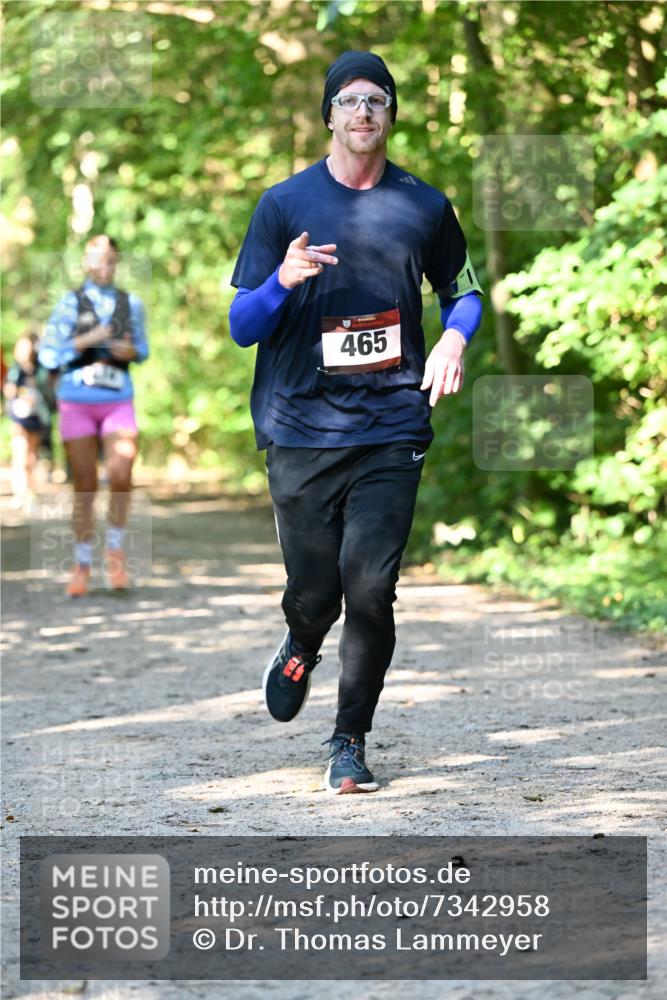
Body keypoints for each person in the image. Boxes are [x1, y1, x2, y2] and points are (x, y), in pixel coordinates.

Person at [229, 51, 483, 794]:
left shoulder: (425, 206)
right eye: (349, 100)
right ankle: (301, 639)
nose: (363, 111)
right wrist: (282, 278)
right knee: (318, 590)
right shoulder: (283, 206)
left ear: (390, 114)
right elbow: (244, 325)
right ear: (329, 115)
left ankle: (349, 740)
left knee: (370, 587)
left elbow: (462, 292)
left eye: (377, 99)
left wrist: (453, 335)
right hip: (300, 424)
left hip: (391, 422)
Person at [38, 235, 149, 596]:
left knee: (121, 471)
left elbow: (142, 350)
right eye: (98, 259)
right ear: (86, 262)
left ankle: (114, 551)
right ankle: (82, 563)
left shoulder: (129, 303)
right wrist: (90, 338)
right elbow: (48, 356)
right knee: (84, 483)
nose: (105, 266)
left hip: (117, 397)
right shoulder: (69, 303)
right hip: (76, 400)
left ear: (116, 263)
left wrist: (129, 349)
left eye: (111, 260)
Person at [3, 331, 54, 509]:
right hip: (19, 417)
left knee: (31, 456)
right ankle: (19, 493)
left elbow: (48, 391)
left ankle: (30, 492)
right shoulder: (15, 371)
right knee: (20, 455)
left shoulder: (40, 370)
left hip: (36, 417)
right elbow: (8, 391)